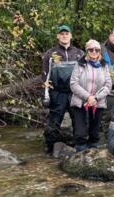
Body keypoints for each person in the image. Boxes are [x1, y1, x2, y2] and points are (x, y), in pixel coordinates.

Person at [41, 25, 84, 154]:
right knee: (53, 122)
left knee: (79, 120)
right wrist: (45, 96)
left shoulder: (79, 53)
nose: (64, 36)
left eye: (67, 33)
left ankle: (80, 148)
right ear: (58, 36)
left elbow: (85, 74)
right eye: (62, 34)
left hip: (74, 92)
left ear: (71, 36)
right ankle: (50, 149)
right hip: (57, 93)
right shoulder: (50, 54)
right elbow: (45, 75)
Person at [69, 39, 112, 151]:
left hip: (98, 102)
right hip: (81, 101)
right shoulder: (79, 64)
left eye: (97, 50)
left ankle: (94, 149)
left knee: (95, 130)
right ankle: (80, 150)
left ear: (100, 51)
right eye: (91, 49)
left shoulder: (104, 65)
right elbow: (73, 84)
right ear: (86, 50)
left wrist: (96, 98)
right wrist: (88, 97)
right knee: (80, 131)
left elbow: (108, 85)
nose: (94, 52)